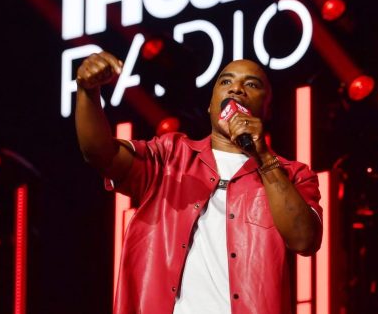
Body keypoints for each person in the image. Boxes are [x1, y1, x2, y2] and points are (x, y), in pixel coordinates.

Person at [75, 53, 322, 314]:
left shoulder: (293, 175)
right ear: (210, 105)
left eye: (251, 84)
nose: (236, 88)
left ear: (268, 108)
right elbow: (101, 154)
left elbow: (304, 240)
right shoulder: (169, 156)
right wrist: (88, 93)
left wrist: (264, 158)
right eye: (226, 82)